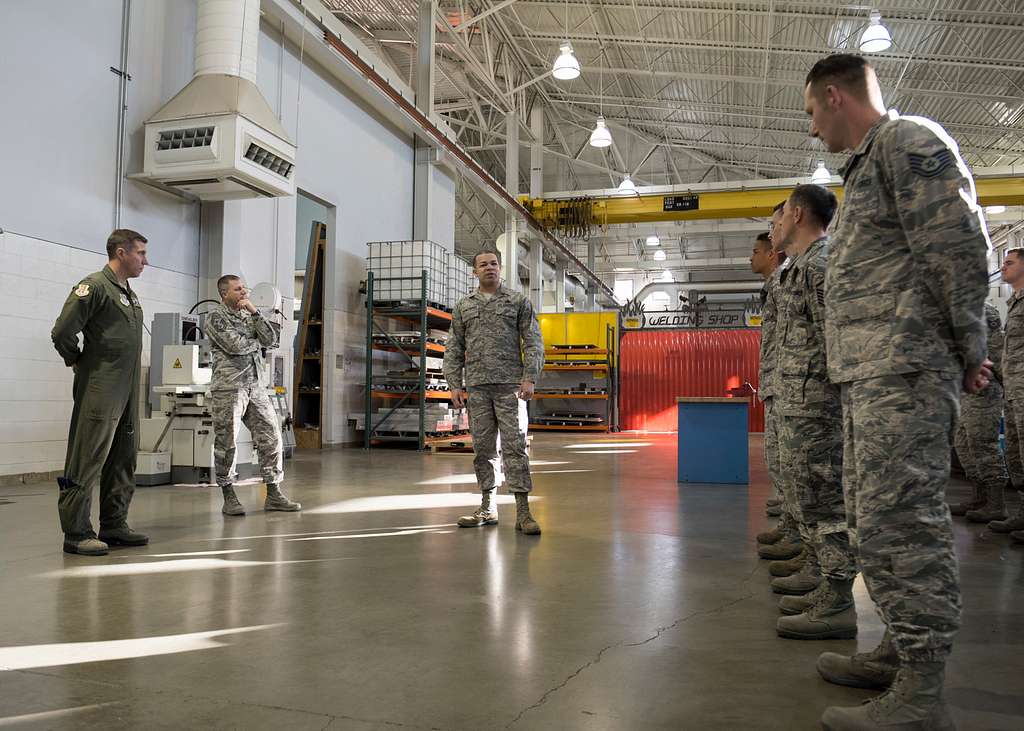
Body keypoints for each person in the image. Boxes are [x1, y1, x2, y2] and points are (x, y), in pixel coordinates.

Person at [803, 54, 992, 730]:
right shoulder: (872, 165)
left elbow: (960, 246)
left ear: (834, 97)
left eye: (811, 114)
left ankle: (923, 685)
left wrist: (971, 346)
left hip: (905, 372)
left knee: (904, 522)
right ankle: (897, 648)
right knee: (875, 521)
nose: (813, 129)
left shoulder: (911, 141)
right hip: (871, 375)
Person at [768, 185, 857, 642]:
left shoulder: (821, 265)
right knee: (809, 495)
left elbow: (838, 337)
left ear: (798, 215)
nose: (775, 226)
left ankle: (838, 601)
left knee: (827, 502)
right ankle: (824, 579)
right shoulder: (797, 268)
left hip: (819, 407)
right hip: (799, 404)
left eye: (780, 217)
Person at [51, 229, 150, 556]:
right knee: (87, 456)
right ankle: (76, 532)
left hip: (127, 390)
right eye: (140, 254)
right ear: (120, 253)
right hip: (101, 386)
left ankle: (114, 524)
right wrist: (76, 361)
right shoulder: (94, 287)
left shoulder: (129, 294)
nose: (144, 261)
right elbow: (63, 331)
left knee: (124, 456)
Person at [443, 250, 544, 534]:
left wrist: (530, 378)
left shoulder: (517, 302)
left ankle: (523, 512)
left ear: (500, 269)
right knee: (483, 449)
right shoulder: (464, 306)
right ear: (474, 271)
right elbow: (454, 348)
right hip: (477, 388)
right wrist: (453, 384)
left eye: (494, 263)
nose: (490, 268)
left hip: (511, 388)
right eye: (483, 264)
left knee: (515, 447)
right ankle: (488, 507)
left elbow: (534, 340)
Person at [207, 275, 299, 516]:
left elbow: (272, 339)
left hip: (255, 386)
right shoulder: (215, 317)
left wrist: (255, 312)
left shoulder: (249, 314)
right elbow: (235, 346)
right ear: (224, 293)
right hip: (229, 388)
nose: (244, 292)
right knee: (227, 443)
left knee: (272, 436)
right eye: (238, 290)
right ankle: (228, 495)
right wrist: (257, 343)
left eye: (244, 288)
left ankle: (274, 493)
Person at [758, 206, 805, 565]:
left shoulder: (809, 269)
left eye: (778, 222)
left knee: (806, 473)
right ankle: (794, 529)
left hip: (805, 392)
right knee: (786, 465)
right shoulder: (785, 278)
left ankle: (817, 559)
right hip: (783, 385)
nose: (774, 230)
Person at [949, 303, 1007, 523]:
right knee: (964, 445)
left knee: (983, 445)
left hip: (984, 389)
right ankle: (978, 498)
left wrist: (1005, 384)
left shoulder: (985, 310)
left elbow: (997, 350)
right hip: (962, 390)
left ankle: (996, 504)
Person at [750, 232, 785, 519]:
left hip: (788, 384)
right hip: (778, 383)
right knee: (777, 455)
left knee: (787, 456)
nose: (751, 257)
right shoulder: (772, 287)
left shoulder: (784, 284)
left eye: (755, 251)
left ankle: (796, 526)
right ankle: (789, 512)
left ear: (771, 254)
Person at [991, 247, 1024, 541]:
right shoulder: (1014, 302)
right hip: (1013, 390)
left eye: (1010, 262)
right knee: (1015, 454)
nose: (1004, 266)